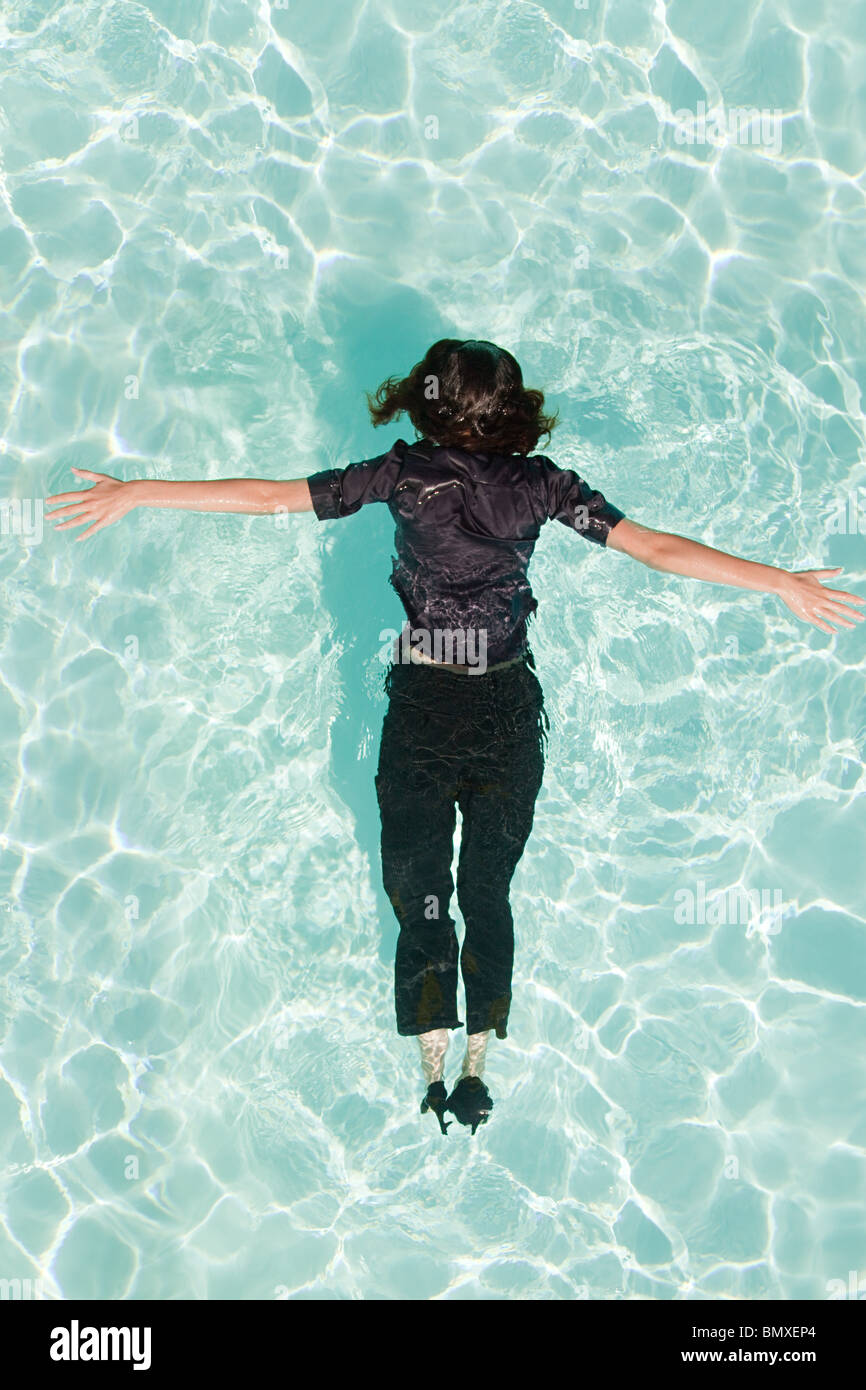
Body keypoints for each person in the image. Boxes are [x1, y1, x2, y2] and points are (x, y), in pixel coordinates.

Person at [46, 338, 864, 1138]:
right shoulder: (545, 486)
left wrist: (138, 491)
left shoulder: (401, 475)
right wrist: (779, 582)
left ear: (426, 404)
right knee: (486, 891)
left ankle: (434, 1063)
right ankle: (478, 1064)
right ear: (513, 413)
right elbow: (652, 549)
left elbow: (269, 499)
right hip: (507, 711)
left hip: (424, 709)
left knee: (420, 889)